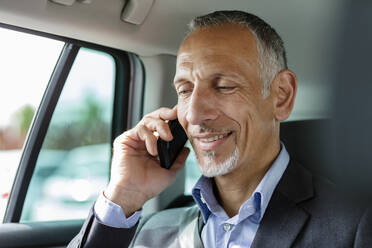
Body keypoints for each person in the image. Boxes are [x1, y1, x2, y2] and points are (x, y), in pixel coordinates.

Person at [69, 10, 371, 248]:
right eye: (185, 90)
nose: (196, 115)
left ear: (281, 95)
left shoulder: (354, 226)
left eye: (225, 86)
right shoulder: (152, 230)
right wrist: (123, 196)